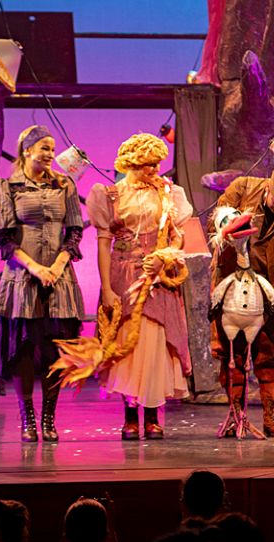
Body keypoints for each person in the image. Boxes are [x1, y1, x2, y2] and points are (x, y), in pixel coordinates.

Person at [86, 133, 193, 440]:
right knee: (127, 346)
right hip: (124, 276)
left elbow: (178, 237)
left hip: (158, 278)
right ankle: (130, 415)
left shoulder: (170, 193)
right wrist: (106, 288)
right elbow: (103, 245)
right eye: (148, 165)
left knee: (156, 343)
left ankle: (152, 415)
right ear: (131, 163)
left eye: (157, 164)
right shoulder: (110, 195)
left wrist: (164, 259)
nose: (154, 170)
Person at [0, 124, 85, 443]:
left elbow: (74, 232)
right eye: (43, 147)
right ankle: (27, 417)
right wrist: (35, 268)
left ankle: (48, 417)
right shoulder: (7, 186)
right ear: (26, 150)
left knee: (54, 352)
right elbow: (1, 237)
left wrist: (57, 265)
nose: (50, 153)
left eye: (52, 148)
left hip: (59, 281)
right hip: (22, 280)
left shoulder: (65, 185)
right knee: (24, 351)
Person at [210, 166, 274, 437]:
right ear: (267, 189)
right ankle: (236, 415)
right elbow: (216, 222)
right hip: (233, 283)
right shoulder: (243, 188)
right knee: (233, 355)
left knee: (268, 356)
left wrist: (270, 302)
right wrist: (229, 229)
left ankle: (270, 418)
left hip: (269, 288)